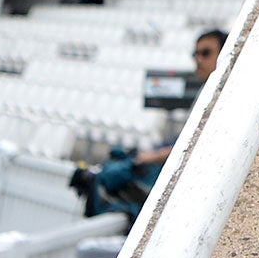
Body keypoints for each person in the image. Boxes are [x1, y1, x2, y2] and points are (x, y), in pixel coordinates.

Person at [74, 29, 226, 219]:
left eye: (206, 53)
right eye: (195, 54)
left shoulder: (223, 94)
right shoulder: (208, 90)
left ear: (224, 54)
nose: (198, 60)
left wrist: (151, 157)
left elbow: (198, 145)